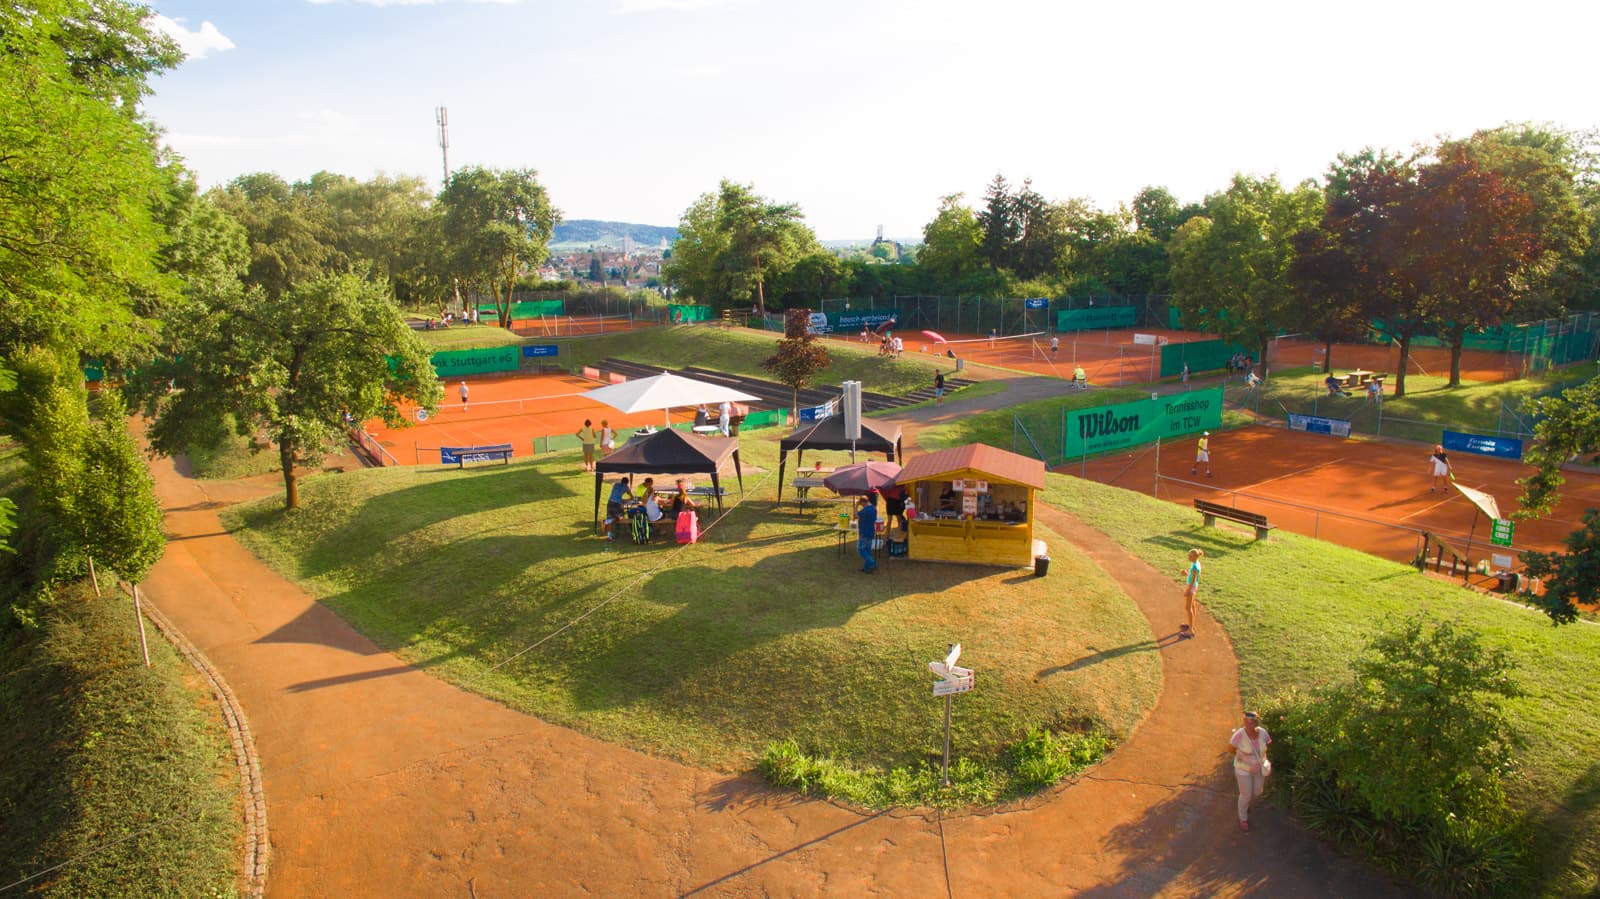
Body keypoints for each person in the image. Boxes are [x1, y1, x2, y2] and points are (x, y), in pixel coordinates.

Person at [1230, 711, 1271, 832]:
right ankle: (1243, 818)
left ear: (1256, 723)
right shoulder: (1239, 734)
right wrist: (1241, 757)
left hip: (1259, 767)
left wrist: (1263, 760)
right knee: (1245, 795)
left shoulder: (1263, 733)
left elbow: (1268, 744)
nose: (1248, 724)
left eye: (1251, 722)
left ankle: (1246, 804)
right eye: (1246, 722)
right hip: (1243, 768)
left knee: (1257, 791)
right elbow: (1230, 748)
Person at [1180, 548, 1204, 638]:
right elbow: (1194, 576)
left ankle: (1190, 631)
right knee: (1192, 606)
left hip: (1191, 588)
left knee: (1188, 608)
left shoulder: (1194, 567)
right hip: (1194, 587)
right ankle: (1191, 625)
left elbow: (1193, 581)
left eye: (1190, 556)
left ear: (1194, 556)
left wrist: (1187, 591)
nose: (1188, 557)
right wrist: (1186, 574)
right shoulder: (1196, 563)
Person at [602, 475, 632, 542]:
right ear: (627, 482)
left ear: (621, 481)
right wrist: (627, 499)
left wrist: (622, 499)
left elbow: (616, 495)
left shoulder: (616, 484)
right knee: (620, 517)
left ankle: (609, 535)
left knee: (610, 518)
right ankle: (607, 523)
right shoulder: (626, 487)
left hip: (610, 502)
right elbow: (631, 496)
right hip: (617, 504)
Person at [856, 494, 879, 573]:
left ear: (863, 502)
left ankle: (873, 563)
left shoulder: (865, 510)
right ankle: (867, 568)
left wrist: (856, 506)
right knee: (868, 550)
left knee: (861, 549)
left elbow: (855, 515)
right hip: (871, 531)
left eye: (861, 504)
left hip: (864, 532)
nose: (861, 505)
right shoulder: (873, 509)